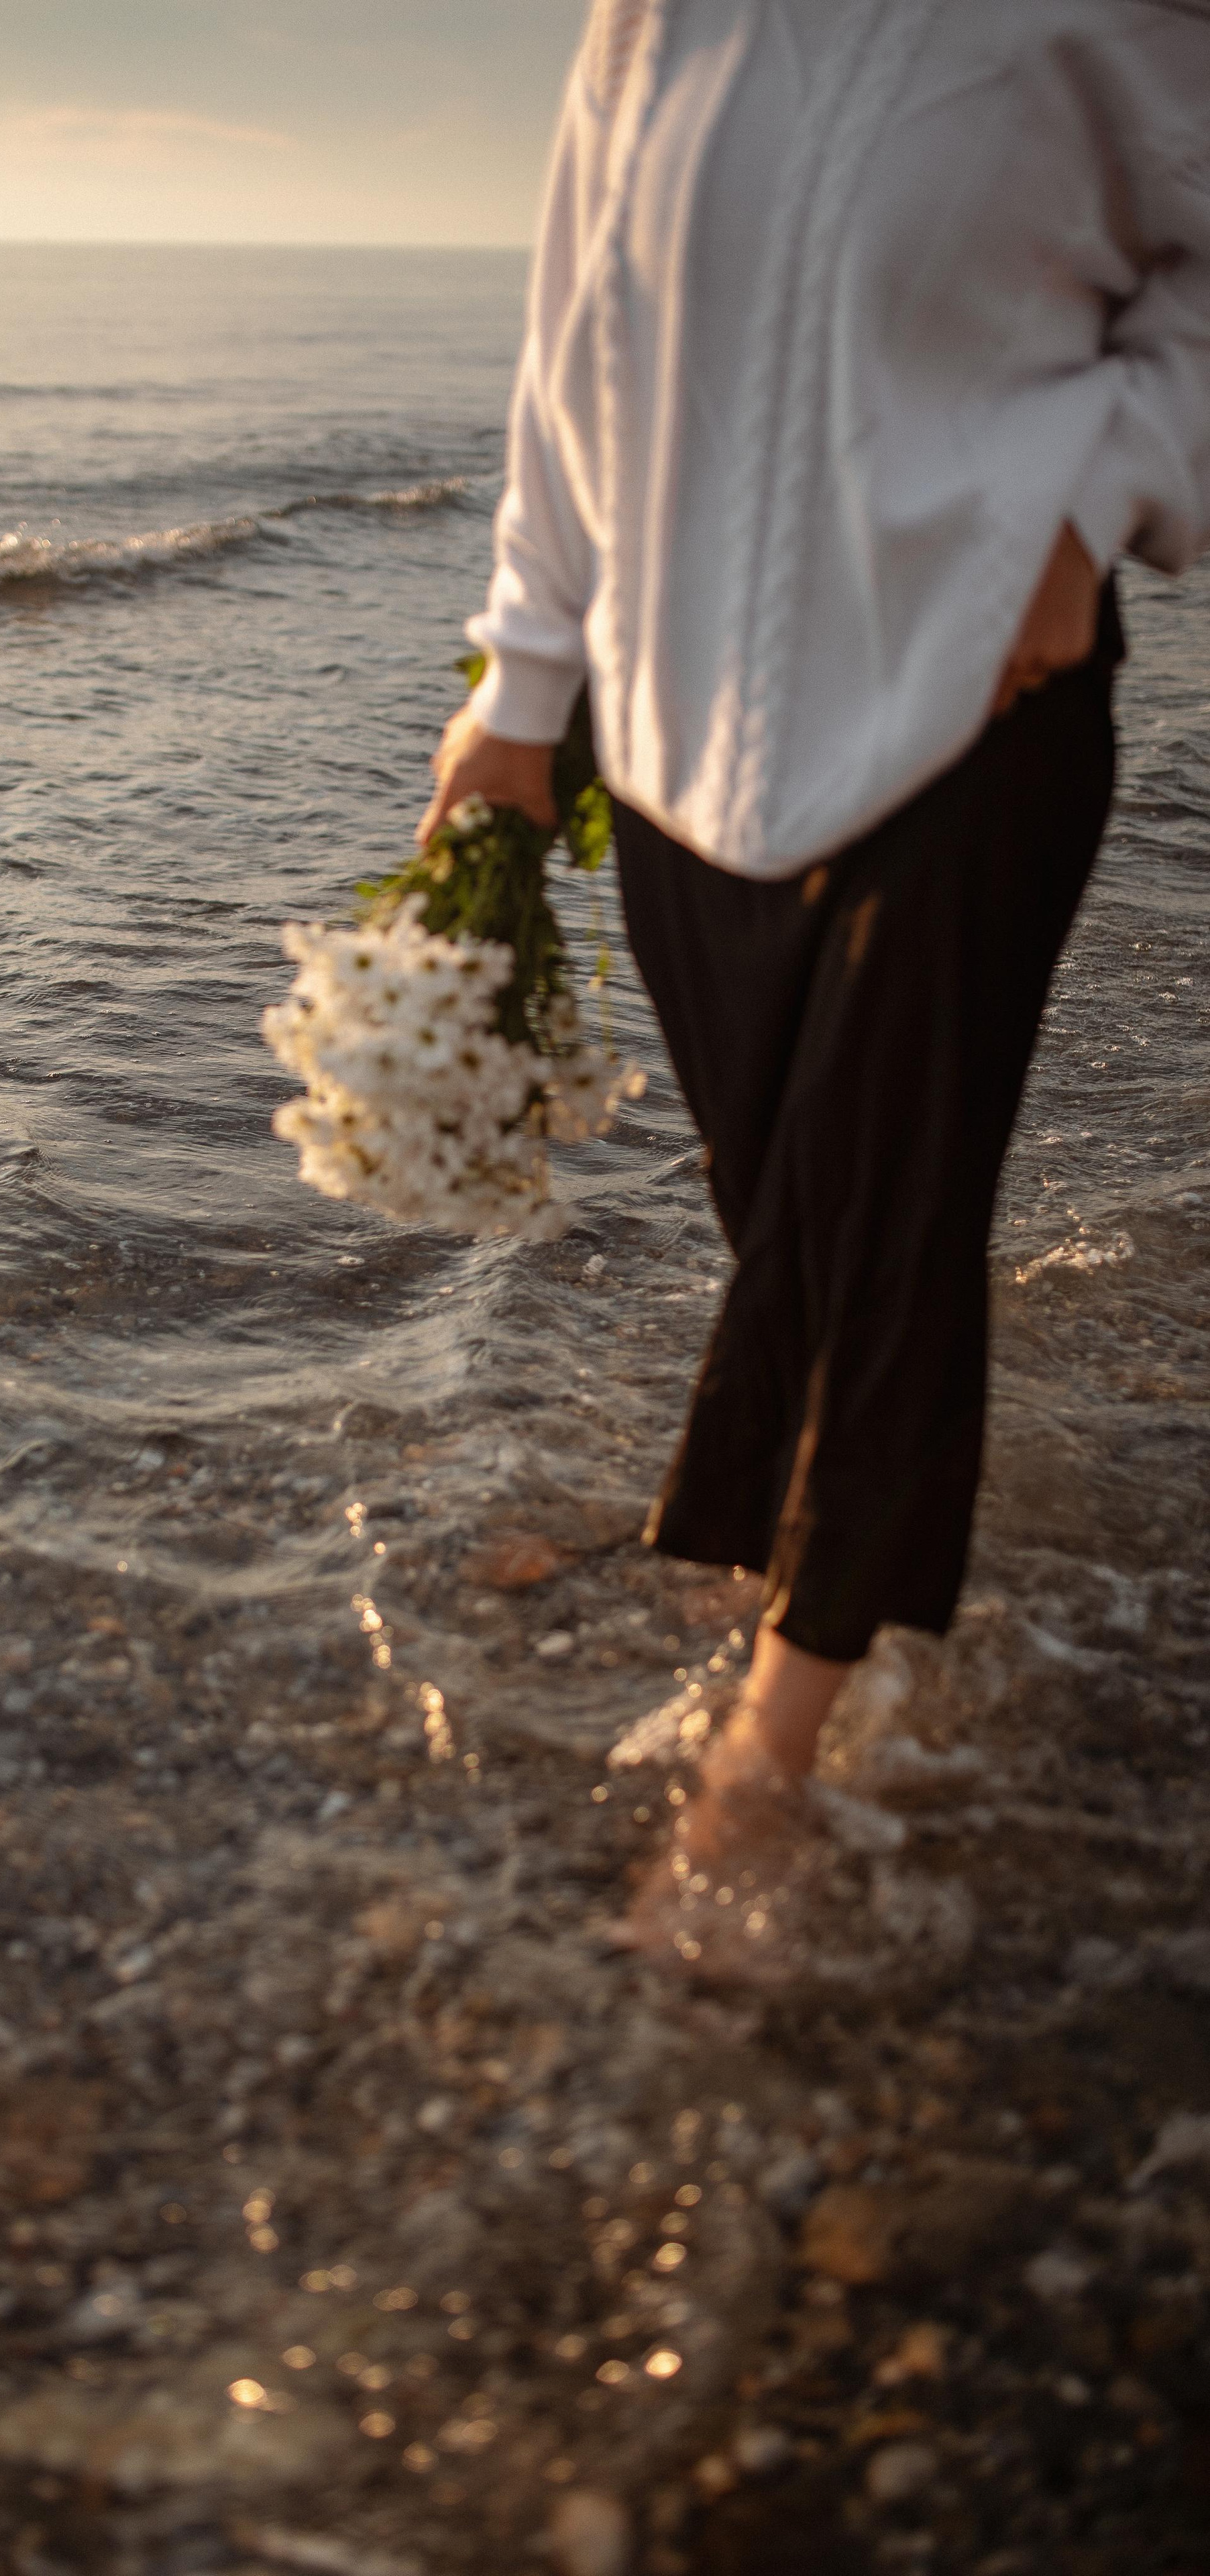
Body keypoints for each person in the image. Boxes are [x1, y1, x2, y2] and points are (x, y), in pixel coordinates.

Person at [419, 0, 1210, 1959]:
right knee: (770, 1192)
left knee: (880, 1217)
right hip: (672, 710)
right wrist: (521, 690)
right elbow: (577, 331)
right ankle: (779, 1542)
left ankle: (769, 1750)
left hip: (983, 677)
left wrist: (1096, 496)